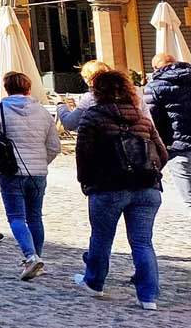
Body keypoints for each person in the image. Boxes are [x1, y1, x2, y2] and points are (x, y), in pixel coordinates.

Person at [71, 67, 168, 309]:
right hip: (146, 187)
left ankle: (95, 282)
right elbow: (162, 153)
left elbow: (83, 154)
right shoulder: (142, 118)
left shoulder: (92, 117)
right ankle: (148, 297)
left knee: (102, 238)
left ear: (97, 92)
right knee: (143, 242)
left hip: (108, 186)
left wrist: (85, 181)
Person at [0, 70, 63, 279]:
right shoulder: (43, 112)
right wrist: (42, 162)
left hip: (11, 171)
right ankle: (37, 259)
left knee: (16, 216)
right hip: (37, 172)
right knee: (35, 216)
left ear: (6, 88)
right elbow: (54, 145)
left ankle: (30, 257)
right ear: (29, 88)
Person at [143, 48, 191, 224]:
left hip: (177, 148)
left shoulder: (153, 87)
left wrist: (162, 144)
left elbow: (151, 119)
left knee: (189, 198)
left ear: (156, 68)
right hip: (180, 145)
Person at [57, 57, 110, 132]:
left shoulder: (90, 97)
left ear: (89, 79)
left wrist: (60, 105)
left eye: (85, 77)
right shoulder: (123, 95)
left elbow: (70, 123)